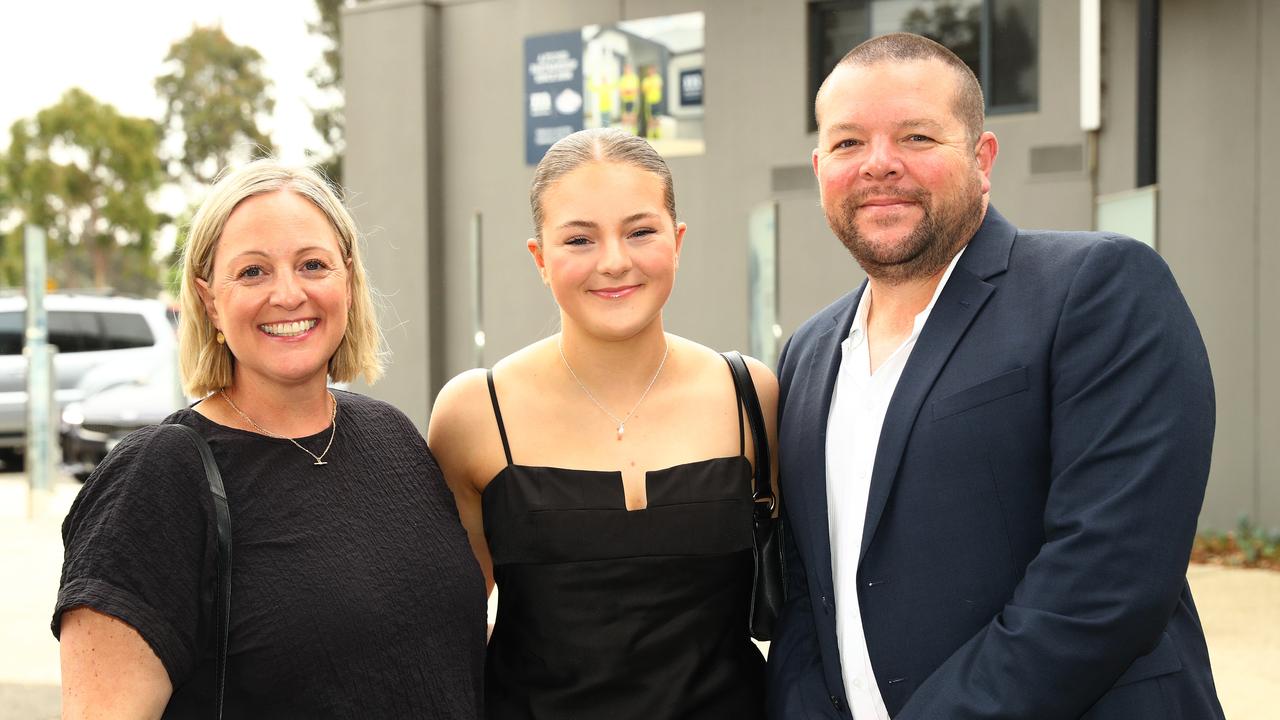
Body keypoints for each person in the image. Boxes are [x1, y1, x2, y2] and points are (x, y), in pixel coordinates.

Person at [767, 33, 1223, 720]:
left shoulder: (1095, 289)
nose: (880, 165)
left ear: (983, 159)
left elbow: (1105, 581)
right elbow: (806, 596)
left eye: (917, 137)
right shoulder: (806, 353)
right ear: (819, 166)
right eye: (848, 143)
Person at [53, 160, 486, 718]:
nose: (288, 295)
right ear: (209, 302)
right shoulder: (159, 477)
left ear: (348, 282)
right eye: (253, 272)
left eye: (312, 264)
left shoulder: (393, 437)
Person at [429, 127, 777, 719]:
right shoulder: (474, 412)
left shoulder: (751, 393)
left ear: (678, 240)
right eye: (579, 240)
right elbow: (440, 634)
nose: (614, 262)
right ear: (540, 258)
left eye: (641, 231)